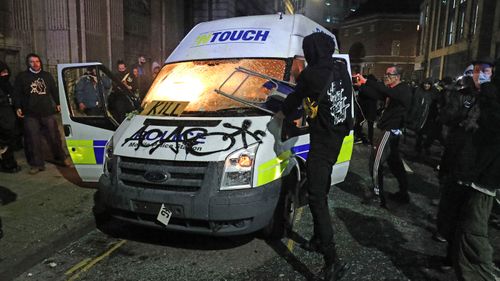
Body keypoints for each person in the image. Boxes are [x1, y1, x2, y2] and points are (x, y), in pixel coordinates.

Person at [275, 32, 352, 281]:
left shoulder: (311, 74)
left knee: (317, 197)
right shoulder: (340, 68)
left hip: (323, 140)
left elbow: (294, 100)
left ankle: (333, 261)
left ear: (312, 52)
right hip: (338, 136)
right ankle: (319, 240)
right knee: (320, 184)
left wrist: (279, 115)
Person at [449, 59, 498, 281]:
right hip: (468, 171)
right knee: (462, 227)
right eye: (477, 71)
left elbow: (491, 127)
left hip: (486, 176)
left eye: (485, 72)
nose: (480, 76)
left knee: (473, 233)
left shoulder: (491, 96)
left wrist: (488, 92)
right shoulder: (473, 94)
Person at [355, 65, 412, 207]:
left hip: (389, 131)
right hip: (391, 130)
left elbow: (384, 90)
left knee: (375, 162)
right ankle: (403, 193)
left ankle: (377, 195)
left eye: (389, 74)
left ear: (397, 77)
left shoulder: (403, 89)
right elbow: (377, 94)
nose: (386, 77)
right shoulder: (394, 90)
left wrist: (366, 81)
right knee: (395, 164)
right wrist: (362, 85)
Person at [13, 53, 72, 174]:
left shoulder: (47, 76)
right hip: (30, 114)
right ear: (28, 63)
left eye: (37, 61)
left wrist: (58, 103)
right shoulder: (22, 77)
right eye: (32, 62)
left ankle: (62, 158)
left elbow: (54, 91)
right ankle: (37, 164)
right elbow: (17, 93)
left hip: (47, 112)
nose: (35, 64)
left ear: (40, 62)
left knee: (55, 136)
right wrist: (18, 107)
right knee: (33, 140)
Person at [0, 61, 21, 173]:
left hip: (9, 121)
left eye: (6, 72)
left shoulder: (7, 85)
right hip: (3, 122)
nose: (4, 75)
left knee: (8, 145)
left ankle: (9, 164)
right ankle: (7, 165)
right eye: (2, 72)